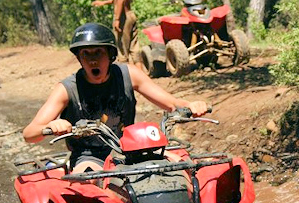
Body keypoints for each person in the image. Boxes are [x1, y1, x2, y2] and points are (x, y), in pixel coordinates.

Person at [22, 23, 207, 173]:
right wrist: (50, 126)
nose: (92, 60)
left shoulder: (129, 74)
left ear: (111, 55)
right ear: (79, 58)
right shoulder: (67, 88)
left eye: (98, 53)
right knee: (88, 181)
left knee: (181, 168)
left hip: (130, 148)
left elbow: (172, 103)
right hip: (89, 155)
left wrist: (191, 105)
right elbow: (29, 134)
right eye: (86, 54)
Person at [91, 0, 142, 70]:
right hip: (130, 15)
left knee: (122, 51)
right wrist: (103, 2)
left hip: (123, 18)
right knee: (134, 48)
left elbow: (120, 0)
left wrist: (117, 19)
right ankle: (141, 75)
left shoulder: (120, 18)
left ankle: (125, 78)